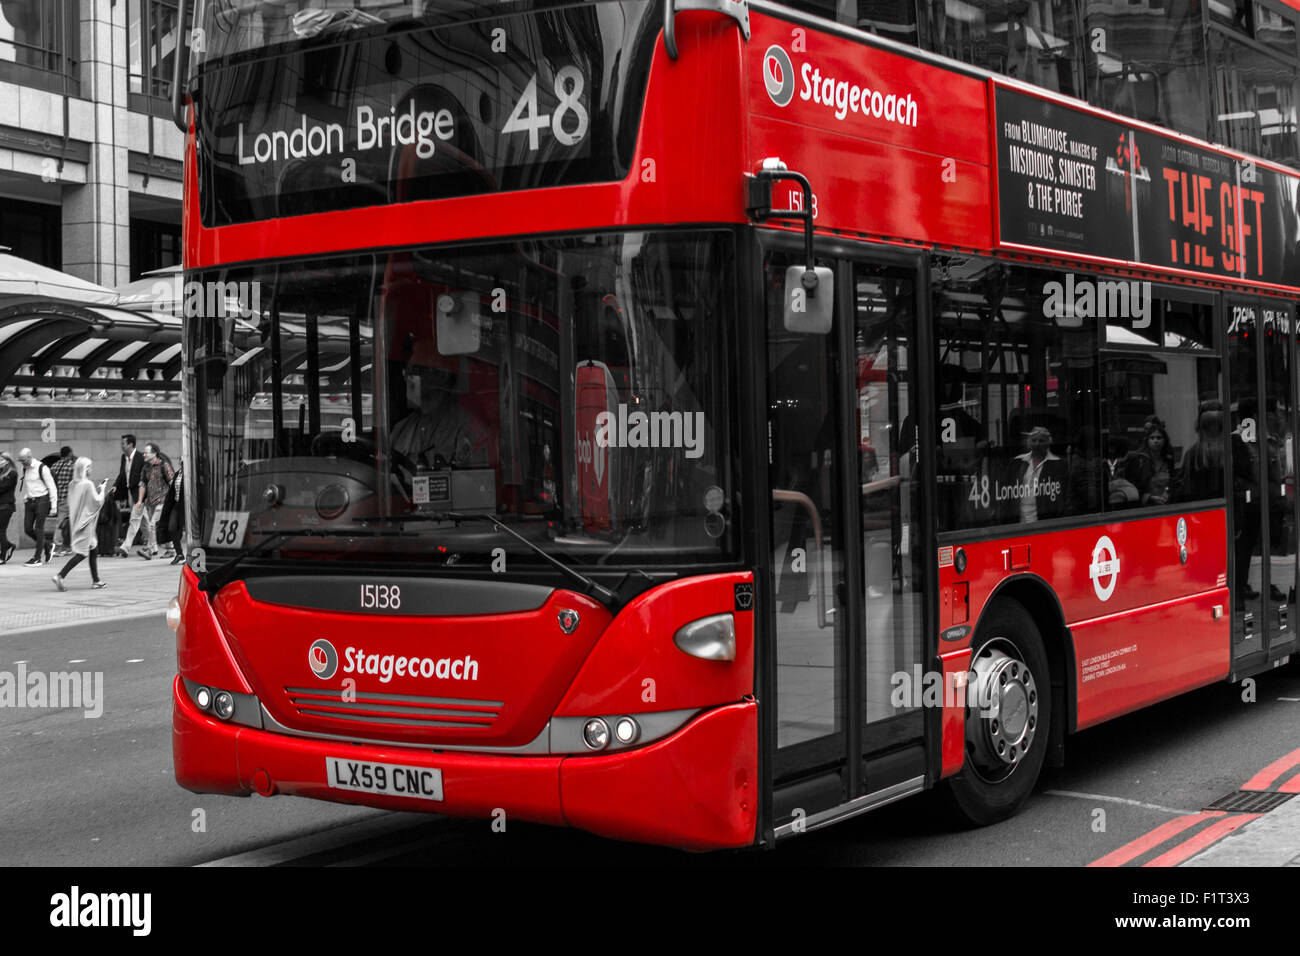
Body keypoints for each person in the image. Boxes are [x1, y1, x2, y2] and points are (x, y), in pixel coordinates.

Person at [390, 350, 490, 472]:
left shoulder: (469, 430)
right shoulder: (400, 430)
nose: (407, 378)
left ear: (442, 375)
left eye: (415, 370)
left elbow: (473, 485)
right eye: (407, 370)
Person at [52, 457, 107, 591]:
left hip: (76, 521)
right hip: (86, 523)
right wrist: (103, 489)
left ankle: (96, 580)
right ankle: (60, 575)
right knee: (82, 553)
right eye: (89, 467)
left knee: (94, 548)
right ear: (85, 469)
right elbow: (97, 502)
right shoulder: (87, 484)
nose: (91, 470)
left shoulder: (72, 484)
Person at [1006, 426, 1068, 522]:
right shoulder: (1017, 462)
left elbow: (1062, 496)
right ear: (1029, 442)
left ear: (1048, 443)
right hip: (1018, 522)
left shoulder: (1058, 464)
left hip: (1044, 522)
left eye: (1041, 441)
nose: (1037, 444)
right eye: (1034, 440)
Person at [1124, 416, 1177, 505]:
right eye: (1152, 438)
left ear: (1165, 441)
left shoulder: (1168, 460)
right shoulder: (1139, 460)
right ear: (1147, 440)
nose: (1155, 441)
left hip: (1167, 504)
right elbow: (1132, 487)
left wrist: (1168, 492)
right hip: (1146, 507)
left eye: (1159, 438)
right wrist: (1149, 498)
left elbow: (1172, 482)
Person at [134, 443, 174, 559]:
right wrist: (140, 500)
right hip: (151, 502)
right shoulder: (146, 467)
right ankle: (170, 549)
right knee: (162, 526)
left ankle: (151, 550)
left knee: (152, 525)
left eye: (146, 452)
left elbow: (172, 482)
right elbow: (142, 484)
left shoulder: (164, 466)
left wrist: (173, 500)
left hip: (163, 501)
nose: (144, 454)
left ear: (154, 453)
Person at [17, 448, 57, 565]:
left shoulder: (42, 468)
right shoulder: (24, 468)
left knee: (39, 529)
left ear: (30, 457)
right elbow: (29, 484)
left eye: (24, 460)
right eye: (21, 461)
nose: (22, 463)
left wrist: (54, 506)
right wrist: (26, 495)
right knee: (28, 529)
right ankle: (48, 545)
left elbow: (52, 487)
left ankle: (37, 557)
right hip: (30, 501)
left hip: (42, 500)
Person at [1181, 401, 1225, 501]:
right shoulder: (1192, 455)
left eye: (1218, 425)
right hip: (1203, 507)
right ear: (1203, 428)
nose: (1213, 429)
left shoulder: (1235, 449)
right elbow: (1188, 490)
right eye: (1209, 425)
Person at [112, 434, 142, 556]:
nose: (121, 445)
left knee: (134, 519)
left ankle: (126, 546)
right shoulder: (124, 457)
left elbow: (144, 476)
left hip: (140, 493)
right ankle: (156, 545)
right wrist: (115, 485)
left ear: (130, 444)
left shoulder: (140, 457)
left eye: (123, 443)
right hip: (130, 492)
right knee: (145, 522)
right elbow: (122, 474)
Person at [49, 445, 76, 557]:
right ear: (69, 454)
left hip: (57, 498)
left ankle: (67, 546)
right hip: (67, 498)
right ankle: (58, 546)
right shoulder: (71, 466)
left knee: (64, 522)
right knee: (62, 523)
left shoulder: (54, 466)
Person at [0, 451, 16, 563]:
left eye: (1, 460)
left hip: (6, 506)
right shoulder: (1, 472)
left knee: (1, 530)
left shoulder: (12, 473)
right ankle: (9, 545)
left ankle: (2, 557)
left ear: (7, 461)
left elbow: (2, 488)